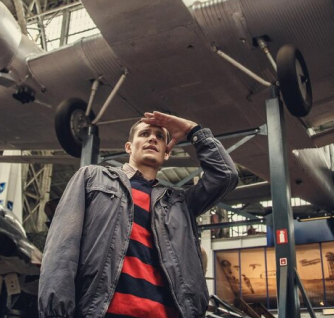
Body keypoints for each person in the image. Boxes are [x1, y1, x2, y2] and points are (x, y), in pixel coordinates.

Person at [38, 111, 239, 318]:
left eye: (160, 137)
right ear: (129, 147)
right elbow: (62, 248)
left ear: (166, 153)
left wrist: (192, 130)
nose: (152, 138)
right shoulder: (93, 178)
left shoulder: (180, 203)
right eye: (144, 134)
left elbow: (226, 176)